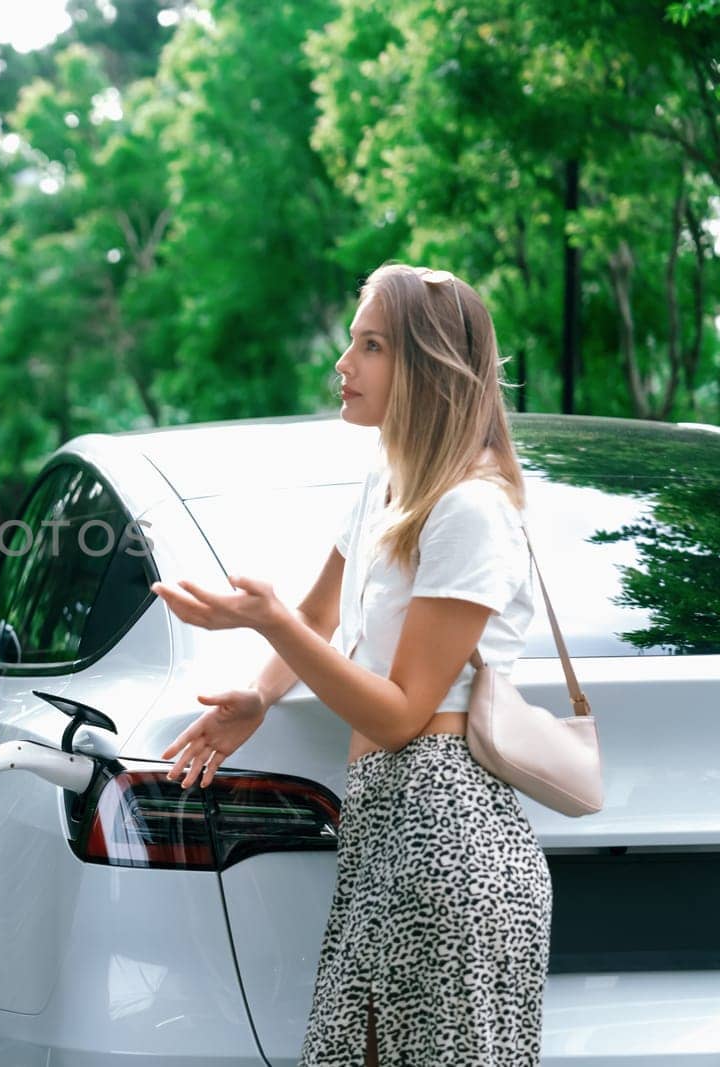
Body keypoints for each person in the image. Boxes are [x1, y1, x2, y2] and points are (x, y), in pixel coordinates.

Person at [152, 264, 550, 1065]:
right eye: (351, 340)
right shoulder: (387, 481)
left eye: (371, 346)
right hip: (382, 831)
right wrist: (260, 695)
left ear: (428, 367)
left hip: (452, 838)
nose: (344, 363)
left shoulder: (469, 506)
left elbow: (402, 711)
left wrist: (265, 620)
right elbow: (318, 616)